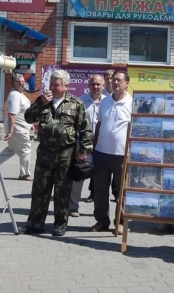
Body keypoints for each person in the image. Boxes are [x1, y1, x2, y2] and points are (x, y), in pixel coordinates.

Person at [21, 69, 92, 236]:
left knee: (62, 191)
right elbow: (28, 118)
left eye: (56, 85)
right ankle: (35, 223)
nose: (52, 88)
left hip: (65, 154)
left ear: (66, 86)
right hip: (45, 153)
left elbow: (85, 129)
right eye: (51, 84)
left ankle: (60, 224)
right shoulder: (43, 100)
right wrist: (41, 103)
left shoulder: (76, 103)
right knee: (40, 189)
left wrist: (83, 151)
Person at [90, 71, 132, 234]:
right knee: (100, 190)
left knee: (121, 191)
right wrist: (94, 147)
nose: (115, 83)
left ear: (127, 83)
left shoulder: (132, 103)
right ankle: (102, 221)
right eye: (113, 80)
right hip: (101, 153)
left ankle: (120, 222)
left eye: (119, 80)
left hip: (122, 154)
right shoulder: (105, 102)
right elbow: (99, 125)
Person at [69, 74, 106, 217]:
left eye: (98, 84)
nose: (95, 87)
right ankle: (73, 207)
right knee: (79, 175)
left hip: (102, 145)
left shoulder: (108, 102)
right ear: (88, 85)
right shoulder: (80, 101)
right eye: (93, 84)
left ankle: (100, 211)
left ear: (103, 85)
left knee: (100, 179)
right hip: (83, 143)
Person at [0, 73, 32, 180]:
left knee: (11, 149)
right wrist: (11, 131)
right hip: (18, 129)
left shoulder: (19, 94)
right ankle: (24, 173)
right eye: (21, 82)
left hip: (20, 128)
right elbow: (12, 114)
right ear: (15, 83)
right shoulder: (15, 95)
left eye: (23, 82)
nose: (23, 84)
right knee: (25, 150)